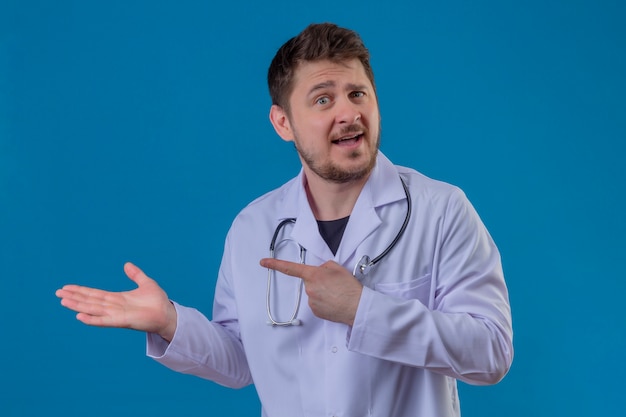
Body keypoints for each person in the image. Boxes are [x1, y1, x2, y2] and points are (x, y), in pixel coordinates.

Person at [56, 22, 513, 417]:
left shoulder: (441, 209)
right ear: (283, 123)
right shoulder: (253, 228)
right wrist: (170, 322)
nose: (348, 112)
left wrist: (363, 309)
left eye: (358, 94)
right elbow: (242, 360)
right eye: (322, 99)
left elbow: (491, 353)